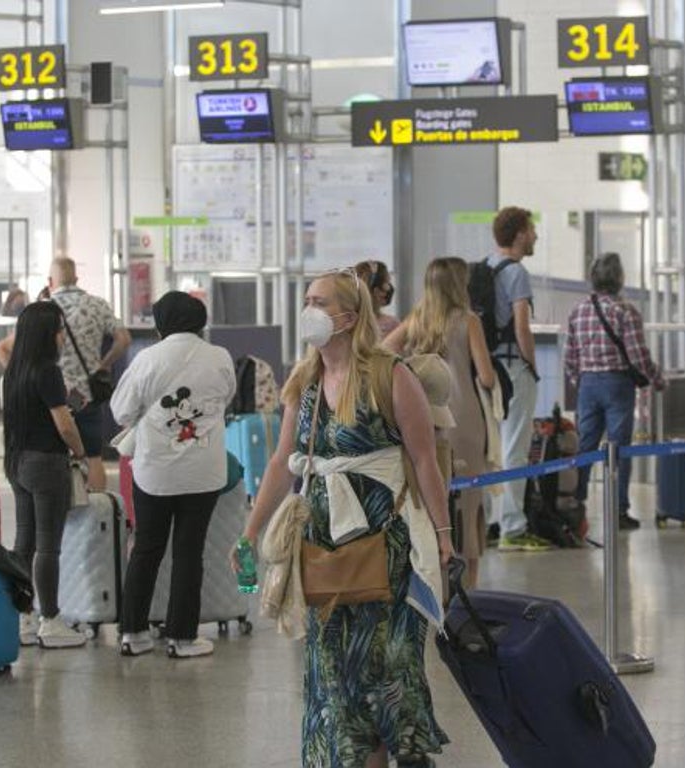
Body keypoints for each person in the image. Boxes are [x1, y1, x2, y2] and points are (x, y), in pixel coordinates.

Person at [238, 270, 453, 767]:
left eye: (319, 301)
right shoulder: (304, 377)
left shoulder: (388, 373)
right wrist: (249, 533)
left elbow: (424, 460)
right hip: (323, 545)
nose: (308, 308)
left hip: (387, 541)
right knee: (335, 673)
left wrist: (444, 537)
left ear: (349, 317)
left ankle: (409, 756)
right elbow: (281, 461)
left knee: (391, 667)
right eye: (306, 299)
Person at [111, 291, 235, 659]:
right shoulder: (220, 357)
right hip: (204, 471)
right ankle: (183, 638)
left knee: (146, 548)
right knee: (188, 552)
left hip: (155, 471)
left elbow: (121, 411)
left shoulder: (148, 358)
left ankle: (133, 633)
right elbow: (225, 397)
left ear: (160, 323)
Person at [383, 256, 498, 584]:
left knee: (431, 492)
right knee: (470, 502)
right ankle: (470, 583)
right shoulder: (468, 321)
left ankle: (435, 577)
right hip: (465, 419)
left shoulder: (416, 320)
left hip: (424, 416)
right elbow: (487, 377)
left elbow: (384, 350)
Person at [0, 258, 131, 492]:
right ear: (76, 278)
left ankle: (61, 509)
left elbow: (1, 348)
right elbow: (124, 339)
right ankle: (95, 515)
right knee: (94, 456)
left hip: (49, 399)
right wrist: (104, 364)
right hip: (86, 395)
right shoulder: (97, 305)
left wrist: (25, 377)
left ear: (50, 281)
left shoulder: (42, 312)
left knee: (53, 456)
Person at [3, 301, 89, 649]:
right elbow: (64, 425)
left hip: (17, 462)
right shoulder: (48, 370)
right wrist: (81, 452)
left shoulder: (15, 370)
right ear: (47, 335)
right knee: (49, 545)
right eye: (59, 330)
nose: (62, 338)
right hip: (46, 463)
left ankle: (22, 616)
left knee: (24, 543)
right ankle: (51, 619)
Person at [564, 253, 665, 530]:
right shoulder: (625, 311)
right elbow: (638, 356)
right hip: (618, 385)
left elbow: (570, 357)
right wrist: (656, 379)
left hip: (587, 385)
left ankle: (576, 505)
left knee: (585, 446)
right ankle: (618, 509)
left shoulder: (578, 310)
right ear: (619, 278)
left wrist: (582, 380)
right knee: (619, 448)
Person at [486, 206, 542, 552]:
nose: (535, 235)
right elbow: (522, 325)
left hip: (488, 366)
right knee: (515, 447)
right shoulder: (517, 272)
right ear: (520, 233)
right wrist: (531, 365)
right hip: (513, 367)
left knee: (493, 448)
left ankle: (493, 521)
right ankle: (514, 527)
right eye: (532, 229)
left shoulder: (486, 267)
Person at [354, 260, 400, 337]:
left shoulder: (346, 326)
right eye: (387, 282)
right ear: (376, 291)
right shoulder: (392, 326)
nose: (389, 288)